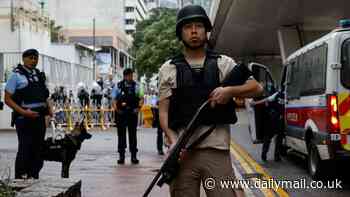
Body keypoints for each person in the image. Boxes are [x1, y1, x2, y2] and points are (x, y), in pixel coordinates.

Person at [158, 5, 262, 197]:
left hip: (217, 152)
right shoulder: (168, 69)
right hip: (182, 153)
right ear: (180, 33)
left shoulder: (224, 63)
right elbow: (163, 112)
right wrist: (173, 142)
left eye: (199, 26)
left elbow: (257, 88)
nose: (194, 31)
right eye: (188, 27)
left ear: (207, 31)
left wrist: (229, 91)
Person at [4, 49, 52, 179]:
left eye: (35, 58)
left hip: (39, 117)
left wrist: (49, 111)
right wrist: (24, 112)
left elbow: (45, 95)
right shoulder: (16, 75)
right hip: (24, 118)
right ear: (23, 59)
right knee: (25, 149)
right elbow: (7, 99)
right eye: (30, 58)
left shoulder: (39, 75)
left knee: (38, 150)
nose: (33, 61)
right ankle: (20, 178)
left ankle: (33, 175)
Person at [112, 68, 142, 164]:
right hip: (121, 114)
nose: (130, 77)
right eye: (129, 75)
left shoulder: (136, 86)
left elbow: (141, 98)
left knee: (133, 135)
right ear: (125, 76)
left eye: (131, 75)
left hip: (132, 114)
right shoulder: (118, 86)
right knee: (121, 135)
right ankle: (121, 156)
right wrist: (117, 109)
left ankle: (133, 156)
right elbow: (114, 100)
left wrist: (138, 108)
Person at [250, 90, 284, 162]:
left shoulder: (278, 93)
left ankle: (265, 155)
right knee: (277, 138)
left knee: (270, 138)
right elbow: (267, 99)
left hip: (274, 118)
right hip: (275, 118)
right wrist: (255, 103)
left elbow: (267, 100)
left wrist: (255, 103)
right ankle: (274, 156)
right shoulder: (280, 94)